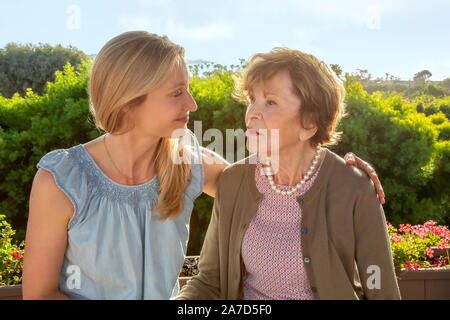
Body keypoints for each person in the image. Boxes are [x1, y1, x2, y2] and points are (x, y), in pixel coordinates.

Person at [22, 31, 384, 300]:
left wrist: (340, 171)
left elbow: (270, 183)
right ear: (130, 101)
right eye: (177, 93)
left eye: (189, 89)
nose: (192, 104)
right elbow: (38, 296)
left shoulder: (188, 161)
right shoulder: (62, 180)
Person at [176, 47, 400, 300]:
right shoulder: (233, 181)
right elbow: (209, 281)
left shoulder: (354, 188)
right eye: (252, 99)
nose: (252, 113)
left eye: (271, 101)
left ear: (310, 122)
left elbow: (382, 290)